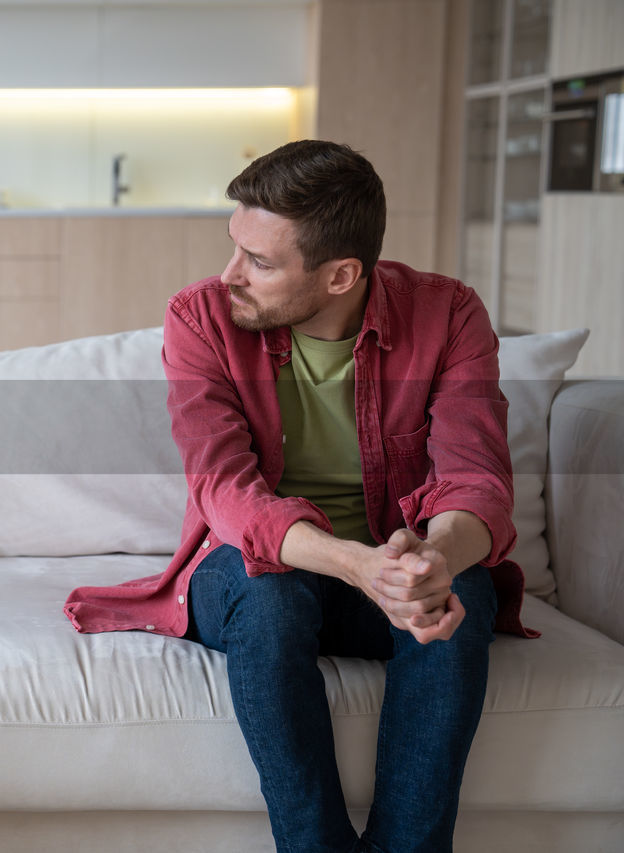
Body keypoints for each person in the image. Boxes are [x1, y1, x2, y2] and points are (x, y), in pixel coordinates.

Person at [65, 140, 533, 852]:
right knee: (269, 592)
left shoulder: (449, 316)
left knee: (455, 592)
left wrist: (430, 560)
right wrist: (357, 563)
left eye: (259, 262)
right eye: (234, 248)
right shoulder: (201, 318)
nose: (230, 276)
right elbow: (225, 490)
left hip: (390, 580)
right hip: (265, 576)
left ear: (342, 274)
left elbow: (478, 479)